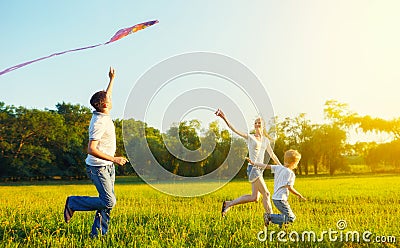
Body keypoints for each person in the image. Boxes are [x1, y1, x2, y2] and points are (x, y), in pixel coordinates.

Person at [63, 67, 129, 238]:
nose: (111, 98)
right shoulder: (98, 122)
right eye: (108, 98)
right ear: (105, 104)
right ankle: (73, 202)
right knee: (109, 201)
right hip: (98, 168)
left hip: (107, 167)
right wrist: (114, 159)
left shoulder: (104, 112)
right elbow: (91, 149)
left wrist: (112, 79)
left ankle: (97, 235)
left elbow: (107, 94)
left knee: (107, 204)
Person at [215, 109, 281, 217]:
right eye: (255, 122)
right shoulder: (250, 137)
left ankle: (228, 204)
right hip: (253, 169)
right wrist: (224, 118)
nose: (257, 124)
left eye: (259, 122)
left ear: (263, 125)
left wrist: (281, 166)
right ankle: (271, 217)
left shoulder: (265, 140)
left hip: (260, 170)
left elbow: (272, 155)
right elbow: (234, 130)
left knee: (254, 198)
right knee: (266, 194)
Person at [247, 149, 306, 227]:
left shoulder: (278, 168)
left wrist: (254, 163)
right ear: (293, 163)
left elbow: (265, 166)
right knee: (291, 218)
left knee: (284, 216)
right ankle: (269, 217)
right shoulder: (291, 173)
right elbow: (290, 187)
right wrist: (299, 195)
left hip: (275, 198)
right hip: (281, 199)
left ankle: (282, 228)